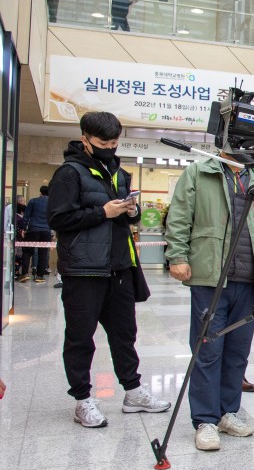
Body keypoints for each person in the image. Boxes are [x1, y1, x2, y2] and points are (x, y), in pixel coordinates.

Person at [48, 112, 170, 428]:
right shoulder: (69, 173)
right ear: (85, 138)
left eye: (115, 142)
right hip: (84, 270)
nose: (110, 148)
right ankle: (83, 400)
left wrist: (132, 210)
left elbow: (125, 218)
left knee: (124, 335)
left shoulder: (118, 171)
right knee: (80, 338)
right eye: (103, 143)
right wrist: (101, 212)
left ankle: (133, 392)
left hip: (119, 266)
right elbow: (58, 220)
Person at [165, 148, 254, 451]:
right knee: (207, 350)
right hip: (210, 275)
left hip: (249, 276)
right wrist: (176, 255)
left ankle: (228, 412)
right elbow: (179, 215)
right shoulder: (200, 173)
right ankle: (204, 419)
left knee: (237, 352)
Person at [23, 185, 52, 282]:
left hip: (33, 229)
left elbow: (26, 216)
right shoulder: (52, 203)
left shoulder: (33, 201)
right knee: (43, 254)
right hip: (46, 230)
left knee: (27, 252)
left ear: (40, 192)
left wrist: (23, 228)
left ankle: (25, 274)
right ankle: (40, 276)